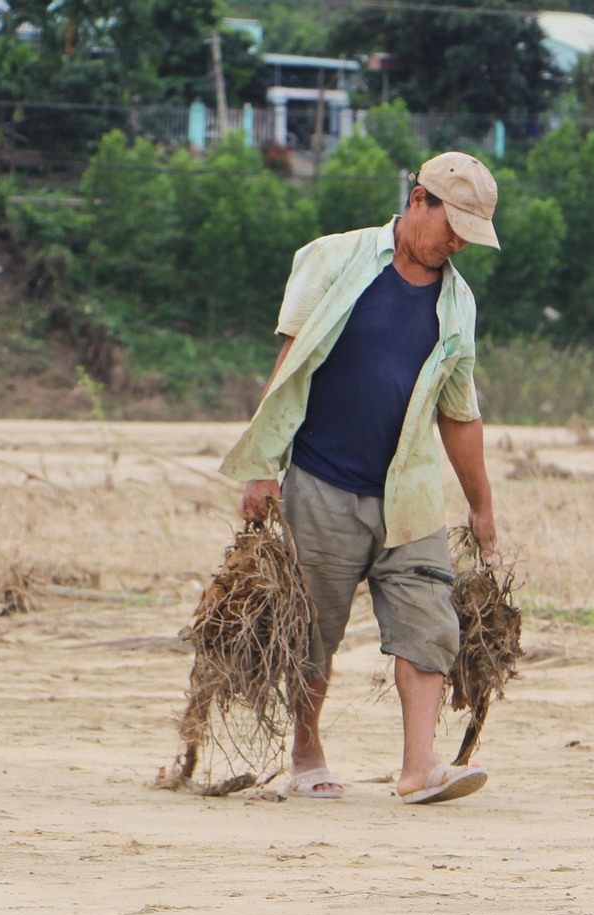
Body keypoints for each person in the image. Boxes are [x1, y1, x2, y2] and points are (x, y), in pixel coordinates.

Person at [220, 152, 500, 806]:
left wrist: (482, 507)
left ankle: (419, 769)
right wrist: (262, 467)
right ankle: (306, 752)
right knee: (315, 631)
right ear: (418, 199)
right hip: (322, 482)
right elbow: (291, 364)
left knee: (429, 620)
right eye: (452, 226)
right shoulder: (333, 258)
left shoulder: (458, 301)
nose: (457, 244)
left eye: (469, 235)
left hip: (410, 493)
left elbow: (460, 413)